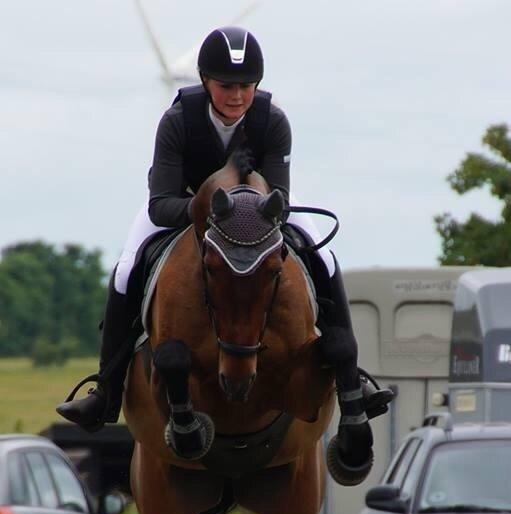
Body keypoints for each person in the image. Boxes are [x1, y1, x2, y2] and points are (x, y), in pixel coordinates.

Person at [58, 26, 390, 450]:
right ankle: (105, 389)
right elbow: (160, 204)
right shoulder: (177, 121)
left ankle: (351, 382)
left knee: (324, 258)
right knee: (126, 268)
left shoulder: (273, 121)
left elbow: (280, 201)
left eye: (246, 86)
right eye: (226, 85)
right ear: (204, 81)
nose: (237, 96)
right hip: (180, 208)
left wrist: (246, 197)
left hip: (258, 214)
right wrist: (209, 206)